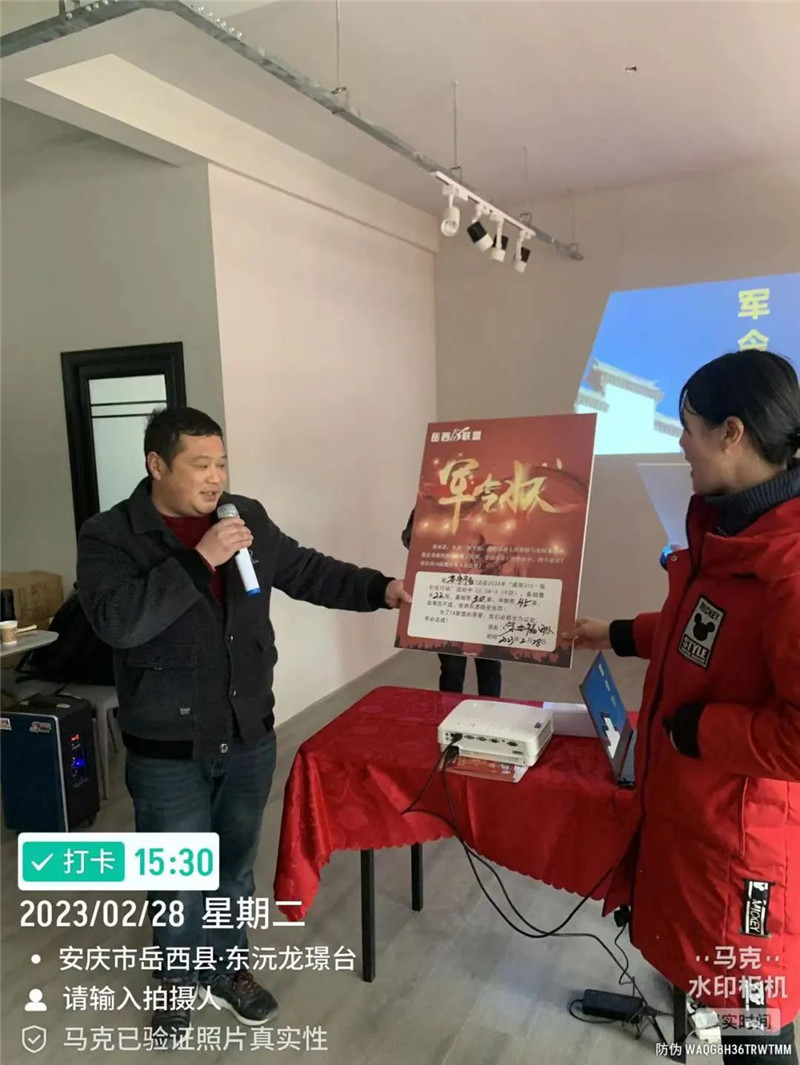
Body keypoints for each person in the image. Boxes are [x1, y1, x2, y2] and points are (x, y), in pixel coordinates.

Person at [78, 407, 410, 1045]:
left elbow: (305, 569)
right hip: (166, 745)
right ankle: (176, 982)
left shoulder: (242, 515)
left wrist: (380, 588)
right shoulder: (110, 534)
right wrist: (200, 558)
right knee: (177, 877)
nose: (216, 477)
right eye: (200, 464)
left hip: (247, 729)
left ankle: (226, 968)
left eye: (222, 463)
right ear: (156, 465)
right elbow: (119, 622)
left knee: (232, 868)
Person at [565, 350, 800, 1064]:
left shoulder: (789, 570)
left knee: (750, 1010)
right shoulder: (725, 531)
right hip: (693, 814)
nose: (680, 442)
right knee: (699, 975)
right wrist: (616, 633)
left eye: (689, 427)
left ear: (732, 433)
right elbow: (699, 630)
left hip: (743, 839)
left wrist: (698, 730)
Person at [402, 508, 502, 697]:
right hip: (447, 596)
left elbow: (510, 541)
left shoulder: (495, 505)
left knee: (489, 664)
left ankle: (490, 709)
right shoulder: (434, 503)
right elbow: (408, 538)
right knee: (452, 668)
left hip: (486, 595)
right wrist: (436, 538)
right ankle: (449, 709)